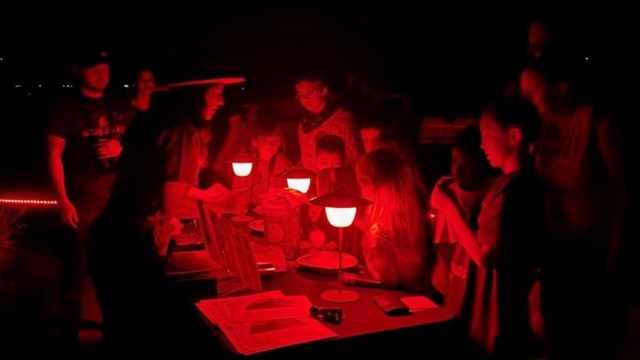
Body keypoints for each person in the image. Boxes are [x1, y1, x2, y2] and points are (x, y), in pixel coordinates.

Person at [431, 96, 544, 358]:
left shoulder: (509, 192)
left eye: (487, 134)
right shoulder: (518, 185)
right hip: (496, 311)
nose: (482, 144)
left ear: (513, 136)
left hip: (492, 316)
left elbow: (484, 255)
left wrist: (448, 205)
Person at [46, 47, 132, 344]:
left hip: (117, 197)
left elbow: (138, 144)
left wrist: (121, 148)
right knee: (80, 263)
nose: (102, 73)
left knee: (117, 262)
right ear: (77, 70)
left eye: (105, 68)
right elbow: (53, 153)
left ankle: (116, 322)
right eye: (94, 67)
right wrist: (62, 199)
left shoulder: (119, 104)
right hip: (82, 197)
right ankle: (74, 328)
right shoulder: (65, 108)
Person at [429, 125, 494, 313]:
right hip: (443, 280)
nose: (457, 169)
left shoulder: (490, 196)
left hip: (470, 283)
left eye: (465, 165)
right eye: (454, 162)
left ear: (482, 164)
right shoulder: (444, 190)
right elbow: (437, 233)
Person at [356, 148, 430, 294]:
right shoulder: (411, 212)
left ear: (369, 181)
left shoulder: (379, 233)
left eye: (359, 181)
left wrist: (361, 275)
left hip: (396, 301)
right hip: (421, 294)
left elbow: (388, 280)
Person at [294, 75, 362, 172]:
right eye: (301, 95)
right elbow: (306, 157)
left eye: (311, 92)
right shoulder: (304, 125)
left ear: (324, 91)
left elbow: (357, 160)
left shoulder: (342, 123)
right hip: (312, 182)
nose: (306, 98)